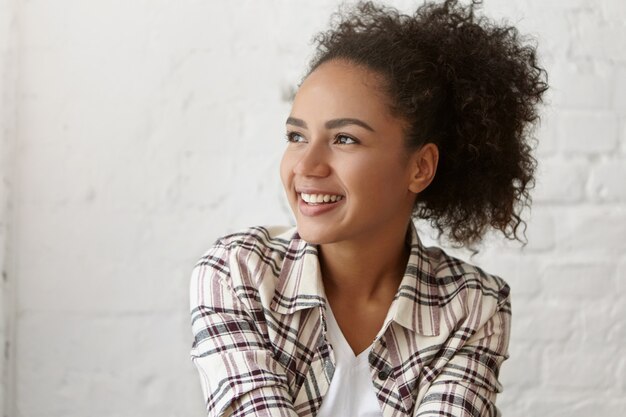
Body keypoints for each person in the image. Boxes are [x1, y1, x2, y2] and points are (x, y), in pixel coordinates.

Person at [189, 0, 547, 416]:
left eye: (345, 139)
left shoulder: (473, 307)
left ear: (420, 166)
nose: (306, 166)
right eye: (296, 135)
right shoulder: (237, 273)